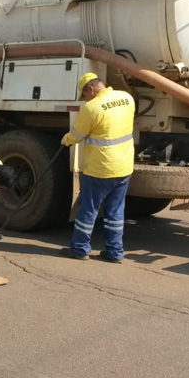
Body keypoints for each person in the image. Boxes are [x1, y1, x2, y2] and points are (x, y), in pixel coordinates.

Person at [59, 73, 135, 263]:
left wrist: (65, 140)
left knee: (89, 209)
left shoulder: (91, 108)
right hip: (124, 167)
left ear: (90, 89)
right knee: (116, 212)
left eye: (84, 95)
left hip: (100, 168)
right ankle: (115, 252)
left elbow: (77, 134)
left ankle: (79, 248)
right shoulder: (127, 98)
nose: (84, 99)